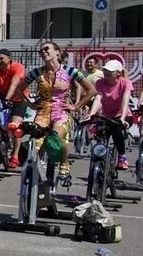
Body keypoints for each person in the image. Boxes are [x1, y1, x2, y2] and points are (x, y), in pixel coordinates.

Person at [16, 41, 95, 183]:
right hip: (44, 110)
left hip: (61, 111)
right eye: (41, 51)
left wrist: (76, 107)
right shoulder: (36, 72)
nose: (43, 52)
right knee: (36, 139)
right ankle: (35, 172)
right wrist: (31, 104)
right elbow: (18, 89)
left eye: (47, 49)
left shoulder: (71, 71)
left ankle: (64, 163)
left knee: (56, 136)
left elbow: (91, 91)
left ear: (57, 52)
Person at [0, 48, 29, 168]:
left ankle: (15, 155)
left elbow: (14, 83)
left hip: (19, 98)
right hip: (3, 95)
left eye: (2, 58)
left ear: (9, 59)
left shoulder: (17, 67)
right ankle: (0, 138)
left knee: (15, 126)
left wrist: (8, 98)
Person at [88, 59, 133, 170]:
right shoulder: (100, 82)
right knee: (101, 135)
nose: (106, 73)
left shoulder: (125, 82)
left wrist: (122, 118)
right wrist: (91, 114)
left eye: (109, 71)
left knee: (116, 128)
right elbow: (98, 99)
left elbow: (125, 100)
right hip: (107, 115)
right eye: (105, 70)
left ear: (118, 73)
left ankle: (122, 156)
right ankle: (100, 159)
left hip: (124, 115)